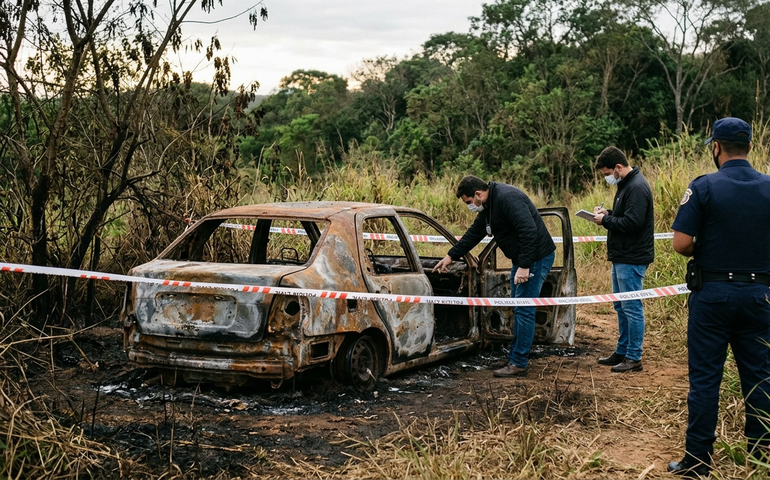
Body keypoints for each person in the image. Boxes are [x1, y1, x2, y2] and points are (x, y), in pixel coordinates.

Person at [668, 117, 770, 478]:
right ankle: (760, 457)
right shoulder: (769, 187)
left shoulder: (704, 186)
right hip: (760, 296)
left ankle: (697, 462)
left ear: (716, 147)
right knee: (760, 377)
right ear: (749, 147)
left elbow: (681, 243)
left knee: (706, 378)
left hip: (712, 296)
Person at [432, 175, 556, 377]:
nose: (469, 206)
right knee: (519, 307)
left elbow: (528, 230)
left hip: (536, 257)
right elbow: (474, 233)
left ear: (478, 194)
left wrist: (524, 266)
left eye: (469, 202)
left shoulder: (507, 198)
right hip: (523, 259)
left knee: (524, 309)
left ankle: (519, 362)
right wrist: (451, 256)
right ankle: (516, 356)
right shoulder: (490, 206)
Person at [591, 147, 655, 373]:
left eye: (608, 172)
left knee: (631, 306)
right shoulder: (624, 186)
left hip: (632, 256)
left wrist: (605, 222)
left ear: (618, 167)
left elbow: (633, 223)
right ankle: (623, 350)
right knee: (621, 306)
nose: (607, 177)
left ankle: (634, 356)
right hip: (621, 256)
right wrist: (607, 213)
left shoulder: (636, 187)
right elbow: (624, 216)